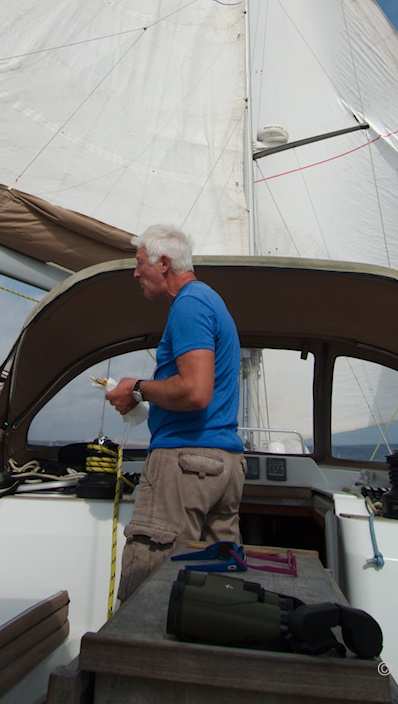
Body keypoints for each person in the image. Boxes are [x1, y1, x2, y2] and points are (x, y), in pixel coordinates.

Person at [105, 223, 245, 601]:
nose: (135, 273)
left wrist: (136, 387)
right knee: (215, 595)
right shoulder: (210, 301)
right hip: (224, 466)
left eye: (140, 264)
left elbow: (195, 392)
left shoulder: (189, 304)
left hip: (185, 463)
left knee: (148, 593)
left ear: (164, 264)